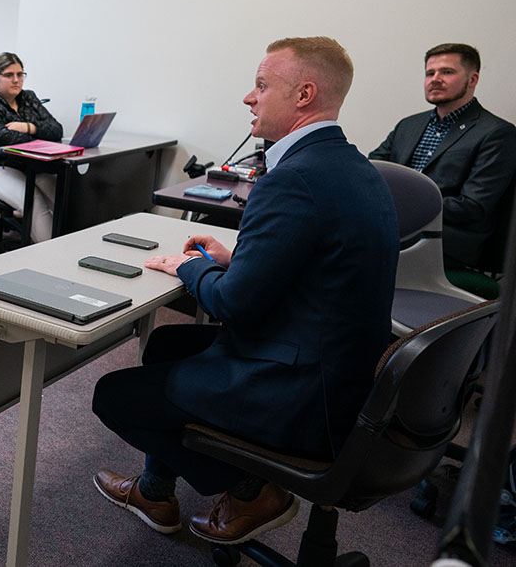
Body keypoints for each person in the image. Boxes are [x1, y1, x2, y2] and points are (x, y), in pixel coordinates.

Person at [90, 37, 398, 546]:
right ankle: (154, 489)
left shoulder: (294, 178)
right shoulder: (353, 167)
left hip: (301, 392)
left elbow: (232, 304)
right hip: (343, 375)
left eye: (261, 85)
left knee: (113, 394)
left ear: (303, 94)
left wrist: (190, 268)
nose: (248, 98)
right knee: (166, 345)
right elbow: (325, 265)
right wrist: (240, 260)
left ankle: (253, 488)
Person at [369, 43, 516, 271]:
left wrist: (405, 209)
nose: (435, 79)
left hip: (448, 240)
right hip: (398, 226)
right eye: (430, 73)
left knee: (355, 239)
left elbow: (473, 206)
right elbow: (371, 173)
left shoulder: (497, 133)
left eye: (447, 72)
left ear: (473, 79)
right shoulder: (408, 125)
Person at [0, 52, 63, 243]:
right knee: (33, 201)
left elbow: (56, 130)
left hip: (24, 166)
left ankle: (70, 245)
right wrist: (38, 134)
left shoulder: (28, 98)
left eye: (20, 74)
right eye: (9, 75)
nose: (16, 80)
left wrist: (29, 127)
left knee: (60, 193)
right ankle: (51, 254)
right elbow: (0, 137)